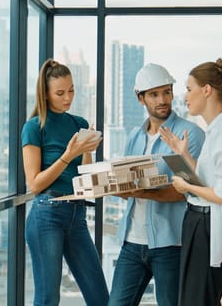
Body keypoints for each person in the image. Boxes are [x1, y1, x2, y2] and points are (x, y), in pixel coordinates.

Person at [108, 63, 205, 306]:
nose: (162, 99)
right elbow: (127, 189)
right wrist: (115, 188)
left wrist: (143, 192)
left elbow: (189, 192)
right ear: (141, 99)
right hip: (131, 243)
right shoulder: (134, 136)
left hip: (171, 244)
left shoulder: (189, 134)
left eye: (166, 92)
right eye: (154, 94)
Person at [159, 59, 222, 306]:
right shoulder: (218, 130)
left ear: (207, 90)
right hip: (201, 224)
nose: (185, 96)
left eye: (190, 89)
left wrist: (186, 187)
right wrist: (185, 156)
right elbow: (212, 181)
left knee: (197, 300)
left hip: (206, 226)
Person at [21, 58, 108, 306]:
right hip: (47, 214)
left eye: (71, 90)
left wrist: (89, 148)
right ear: (46, 94)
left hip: (77, 215)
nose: (67, 97)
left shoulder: (78, 123)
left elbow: (84, 176)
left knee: (100, 298)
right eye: (60, 93)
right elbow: (35, 184)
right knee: (48, 298)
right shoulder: (34, 127)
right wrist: (67, 155)